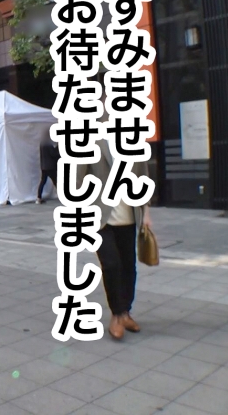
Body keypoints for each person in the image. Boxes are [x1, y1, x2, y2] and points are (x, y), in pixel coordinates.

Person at [75, 132, 153, 341]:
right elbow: (78, 180)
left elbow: (143, 179)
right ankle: (117, 315)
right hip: (100, 219)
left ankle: (126, 312)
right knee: (111, 264)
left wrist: (146, 213)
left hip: (129, 216)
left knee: (128, 266)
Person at [36, 139, 59, 204]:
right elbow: (53, 154)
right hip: (50, 166)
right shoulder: (48, 144)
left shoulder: (42, 143)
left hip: (44, 166)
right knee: (56, 181)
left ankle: (39, 197)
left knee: (42, 182)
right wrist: (57, 148)